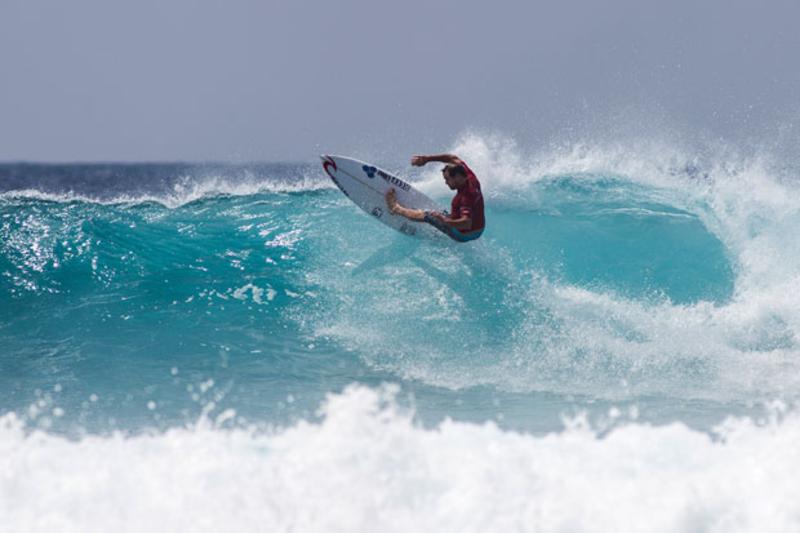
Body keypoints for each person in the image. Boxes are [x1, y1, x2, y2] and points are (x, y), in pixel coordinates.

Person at [385, 154, 485, 242]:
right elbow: (452, 158)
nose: (446, 182)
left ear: (457, 177)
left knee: (429, 216)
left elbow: (466, 223)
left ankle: (395, 208)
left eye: (447, 179)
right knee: (443, 214)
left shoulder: (467, 196)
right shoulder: (469, 175)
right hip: (479, 229)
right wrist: (427, 159)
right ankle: (442, 227)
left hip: (464, 235)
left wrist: (444, 221)